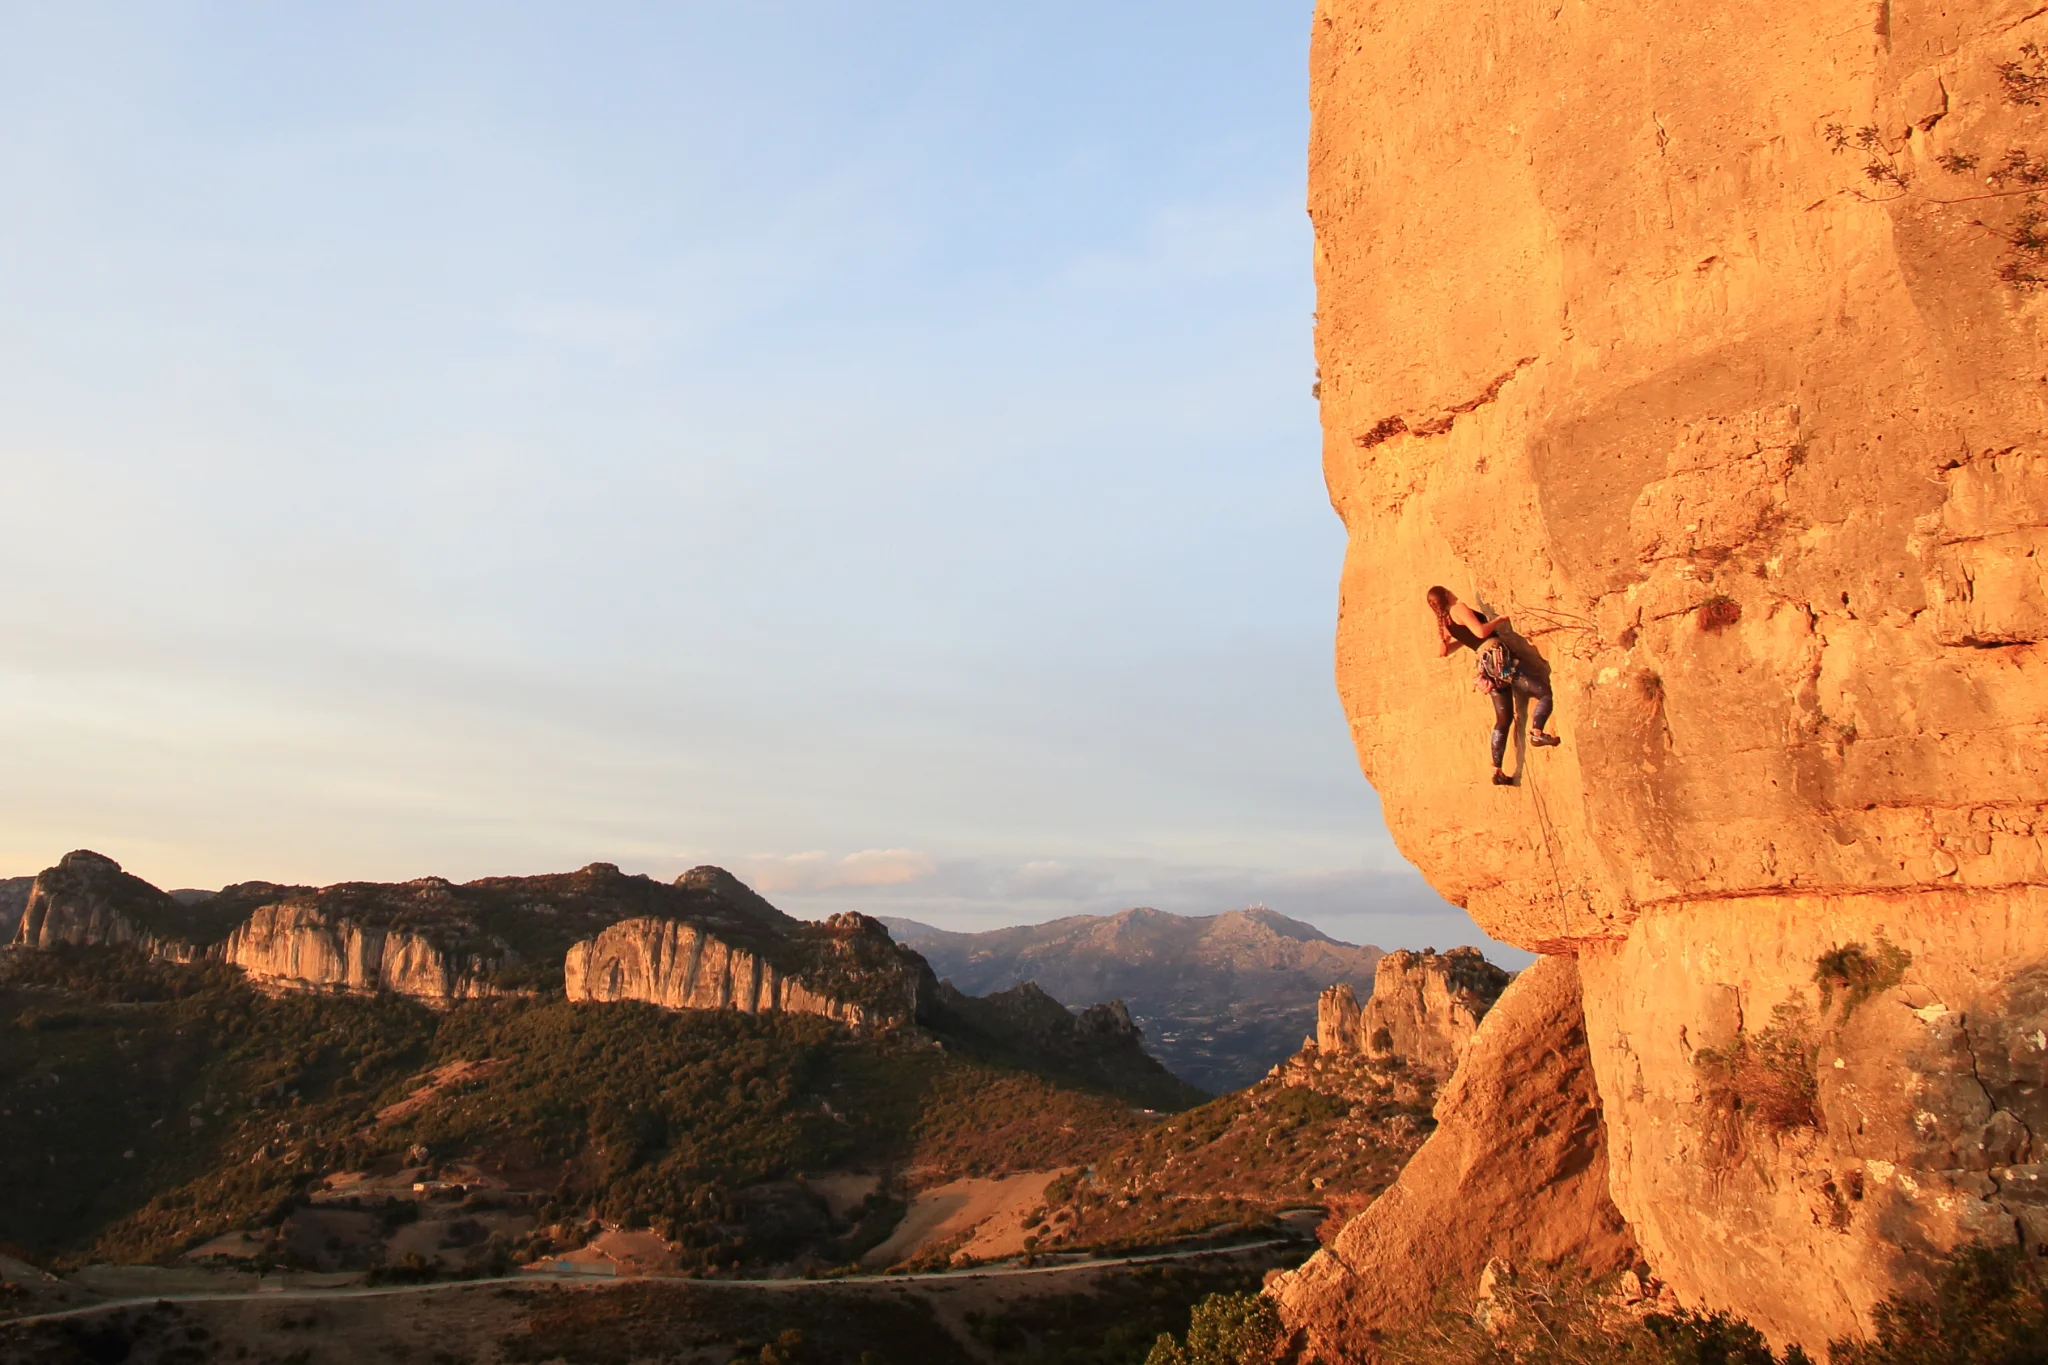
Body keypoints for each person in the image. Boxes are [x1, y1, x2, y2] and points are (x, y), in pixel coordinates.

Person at [1425, 586, 1559, 785]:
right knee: (1543, 692)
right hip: (1498, 658)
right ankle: (1537, 732)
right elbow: (1480, 632)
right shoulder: (1458, 608)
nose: (1452, 592)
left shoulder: (1445, 622)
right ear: (1445, 595)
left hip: (1487, 666)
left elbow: (1443, 651)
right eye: (1448, 590)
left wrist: (1461, 640)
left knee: (1503, 719)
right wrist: (1499, 620)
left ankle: (1497, 770)